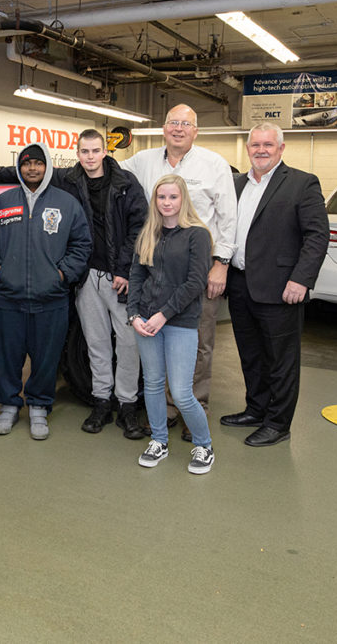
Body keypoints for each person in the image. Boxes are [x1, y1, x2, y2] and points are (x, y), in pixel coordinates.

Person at [0, 130, 148, 437]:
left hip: (120, 276)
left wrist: (124, 268)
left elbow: (139, 226)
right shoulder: (70, 179)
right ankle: (102, 401)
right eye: (84, 151)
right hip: (87, 276)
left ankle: (127, 405)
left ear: (105, 151)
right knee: (96, 343)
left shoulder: (126, 183)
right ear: (77, 154)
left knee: (128, 343)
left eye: (95, 151)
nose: (90, 157)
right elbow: (31, 166)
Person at [121, 104, 236, 441]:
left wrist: (222, 263)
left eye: (186, 123)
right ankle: (167, 410)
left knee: (197, 342)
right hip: (156, 268)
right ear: (164, 127)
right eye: (173, 122)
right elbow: (105, 168)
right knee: (158, 343)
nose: (179, 129)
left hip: (197, 271)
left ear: (196, 131)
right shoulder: (143, 160)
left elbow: (228, 217)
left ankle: (193, 407)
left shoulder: (213, 164)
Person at [220, 123, 328, 446]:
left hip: (282, 288)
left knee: (281, 360)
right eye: (255, 145)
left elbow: (317, 236)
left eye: (268, 144)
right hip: (240, 285)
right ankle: (256, 408)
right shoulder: (236, 184)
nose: (261, 150)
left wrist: (301, 278)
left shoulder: (301, 184)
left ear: (281, 149)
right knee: (251, 355)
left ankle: (278, 423)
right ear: (248, 148)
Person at [0, 142, 91, 439]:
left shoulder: (66, 203)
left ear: (48, 167)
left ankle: (39, 407)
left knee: (46, 357)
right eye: (27, 163)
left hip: (51, 298)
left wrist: (62, 275)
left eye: (38, 164)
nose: (32, 168)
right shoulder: (4, 202)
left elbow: (82, 244)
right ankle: (8, 405)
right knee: (7, 355)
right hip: (9, 297)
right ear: (19, 167)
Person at [128, 175, 214, 473]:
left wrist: (163, 314)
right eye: (161, 197)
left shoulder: (197, 235)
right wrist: (133, 315)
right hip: (146, 322)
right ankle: (159, 441)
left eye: (173, 197)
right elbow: (137, 276)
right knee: (152, 385)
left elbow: (195, 282)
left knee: (180, 392)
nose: (167, 203)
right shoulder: (148, 233)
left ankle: (204, 445)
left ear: (183, 199)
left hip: (179, 322)